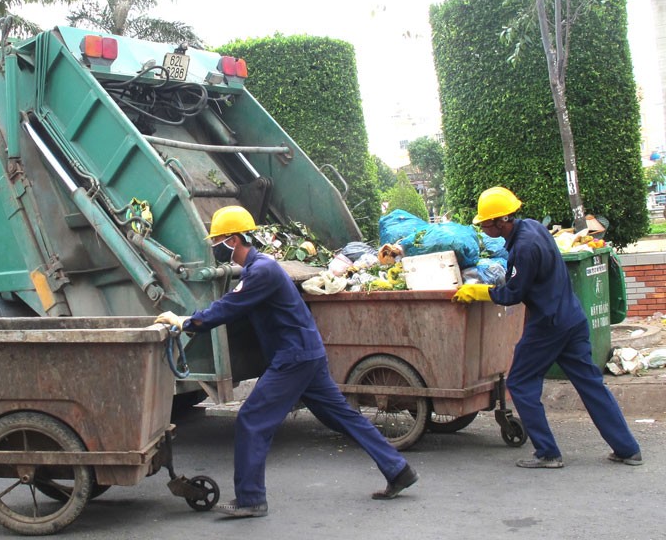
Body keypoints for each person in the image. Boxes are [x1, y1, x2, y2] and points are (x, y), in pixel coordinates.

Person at [156, 205, 417, 518]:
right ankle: (398, 469)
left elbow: (228, 307)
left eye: (217, 241)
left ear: (233, 241)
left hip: (294, 357)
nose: (214, 247)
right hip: (306, 353)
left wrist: (185, 321)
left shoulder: (261, 271)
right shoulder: (259, 268)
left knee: (252, 419)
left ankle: (251, 499)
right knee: (342, 416)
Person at [454, 186, 642, 469]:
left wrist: (479, 291)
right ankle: (628, 449)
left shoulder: (524, 247)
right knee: (591, 384)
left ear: (501, 221)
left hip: (548, 325)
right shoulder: (532, 228)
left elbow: (513, 293)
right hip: (572, 317)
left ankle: (547, 453)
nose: (483, 228)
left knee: (520, 382)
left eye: (485, 224)